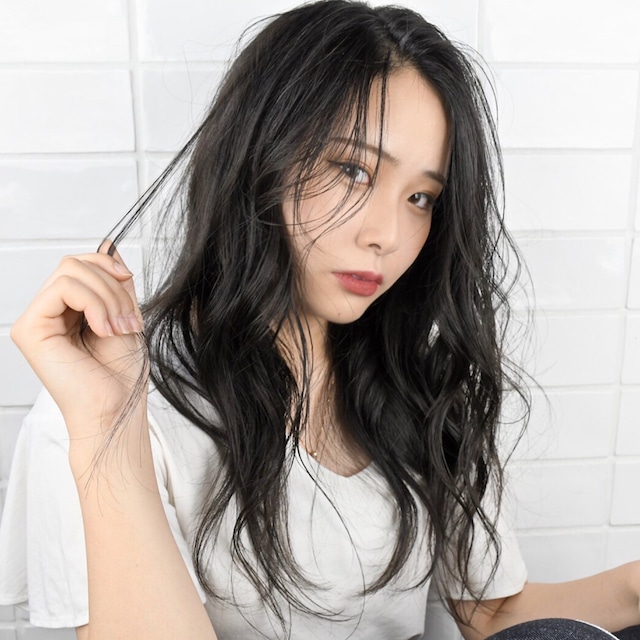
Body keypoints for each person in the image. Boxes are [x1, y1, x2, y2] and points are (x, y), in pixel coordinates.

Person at [0, 2, 639, 639]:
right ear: (260, 156)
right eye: (353, 170)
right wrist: (108, 431)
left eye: (421, 198)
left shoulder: (417, 382)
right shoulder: (101, 410)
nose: (388, 234)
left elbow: (494, 613)